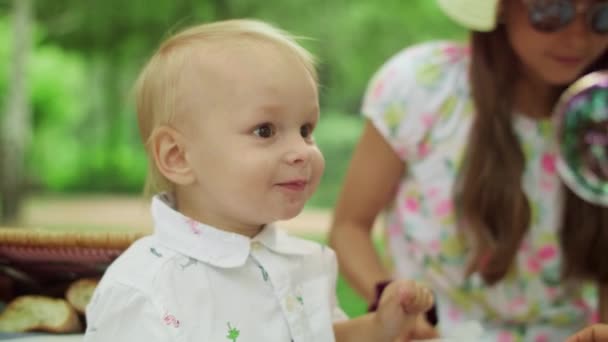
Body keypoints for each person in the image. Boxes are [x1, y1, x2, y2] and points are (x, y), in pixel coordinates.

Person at [83, 19, 435, 342]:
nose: (301, 151)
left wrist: (379, 328)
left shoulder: (306, 262)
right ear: (177, 157)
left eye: (306, 130)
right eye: (265, 130)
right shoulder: (148, 289)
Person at [329, 0, 608, 340]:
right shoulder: (423, 86)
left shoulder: (600, 119)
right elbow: (349, 227)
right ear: (503, 7)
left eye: (601, 15)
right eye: (551, 11)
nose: (578, 39)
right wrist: (397, 308)